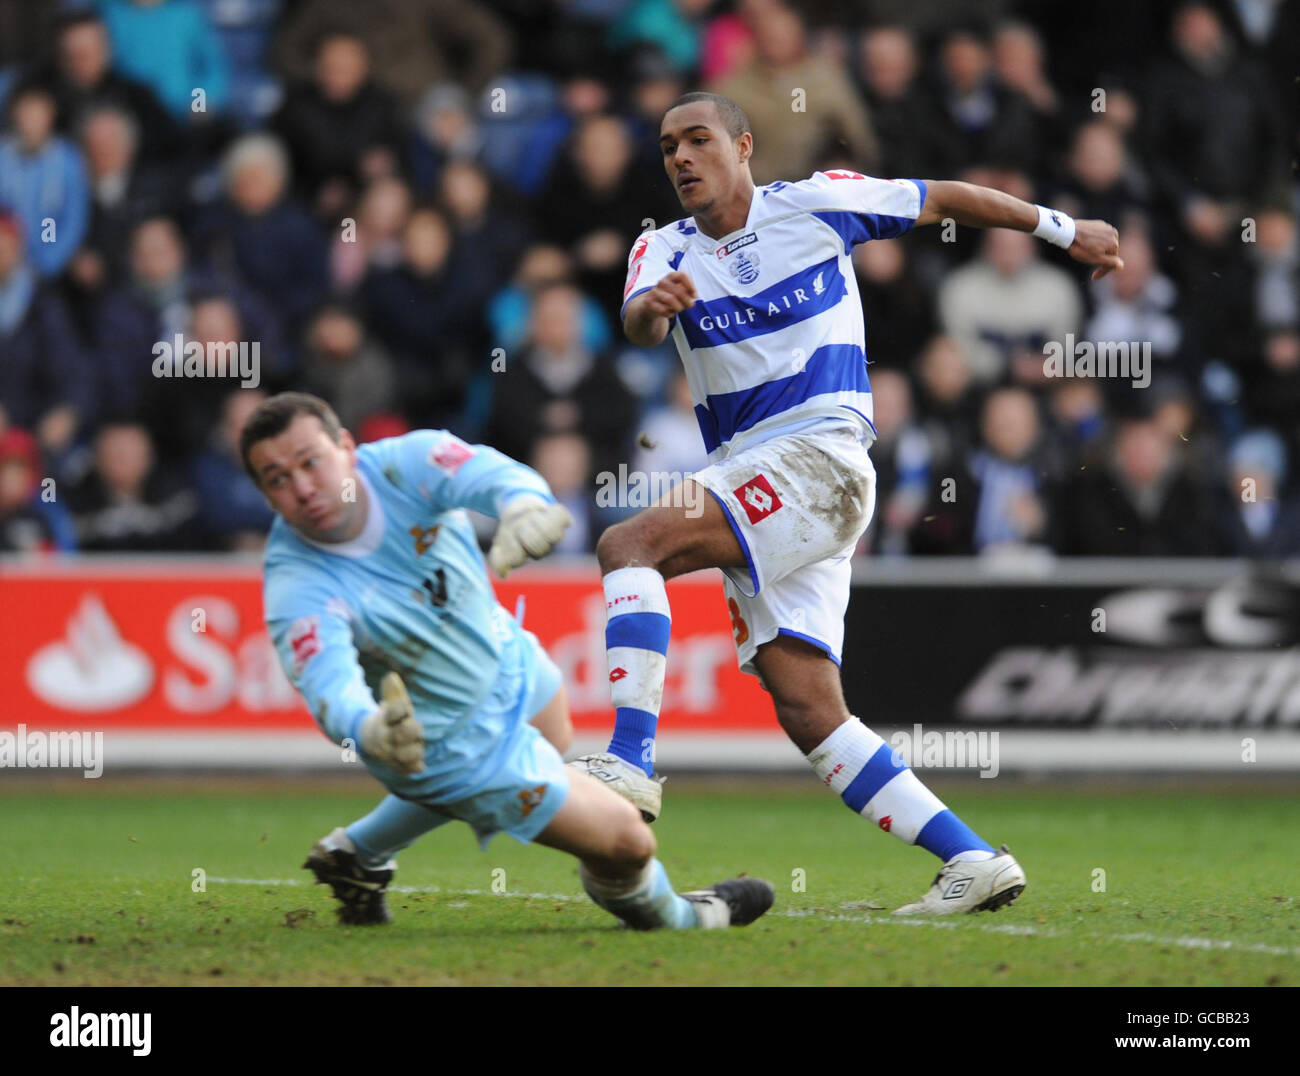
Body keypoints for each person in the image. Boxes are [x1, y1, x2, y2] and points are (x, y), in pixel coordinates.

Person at [570, 91, 1122, 916]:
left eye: (698, 140)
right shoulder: (660, 250)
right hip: (764, 484)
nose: (681, 157)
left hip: (821, 460)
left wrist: (1058, 228)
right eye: (666, 148)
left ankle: (628, 761)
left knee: (630, 545)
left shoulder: (817, 204)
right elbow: (640, 325)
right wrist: (653, 311)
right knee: (808, 707)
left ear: (744, 145)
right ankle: (970, 858)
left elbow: (940, 197)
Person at [243, 391, 773, 930]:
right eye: (277, 479)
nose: (302, 487)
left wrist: (522, 503)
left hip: (504, 655)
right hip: (449, 742)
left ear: (346, 447)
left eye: (310, 462)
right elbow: (326, 682)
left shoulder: (405, 464)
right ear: (264, 496)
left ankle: (358, 854)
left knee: (555, 732)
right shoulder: (298, 586)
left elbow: (490, 474)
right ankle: (686, 918)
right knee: (630, 845)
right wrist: (369, 729)